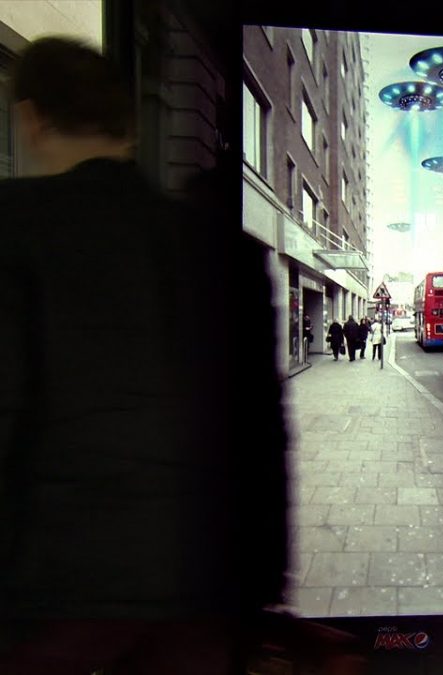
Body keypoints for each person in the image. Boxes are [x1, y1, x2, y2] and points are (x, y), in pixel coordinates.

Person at [0, 37, 287, 674]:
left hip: (51, 594)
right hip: (201, 589)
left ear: (30, 118)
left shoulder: (15, 230)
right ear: (128, 129)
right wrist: (260, 592)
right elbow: (264, 438)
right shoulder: (228, 252)